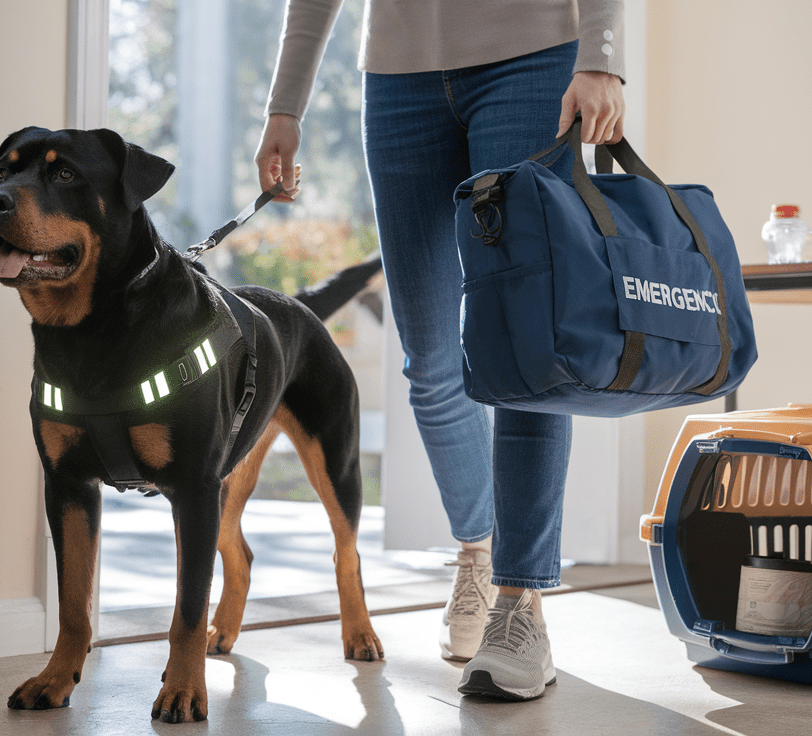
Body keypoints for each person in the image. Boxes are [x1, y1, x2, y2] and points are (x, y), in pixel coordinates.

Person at [254, 0, 627, 700]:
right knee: (430, 360)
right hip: (398, 76)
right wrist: (286, 106)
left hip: (531, 53)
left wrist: (601, 54)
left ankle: (520, 603)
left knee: (525, 348)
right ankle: (479, 550)